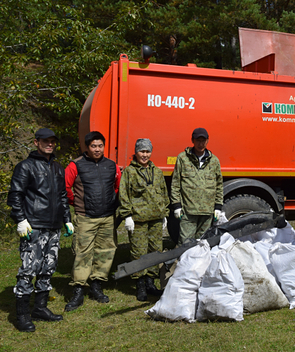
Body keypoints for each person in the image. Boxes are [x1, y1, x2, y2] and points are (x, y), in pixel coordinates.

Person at [7, 128, 73, 332]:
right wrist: (20, 220)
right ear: (36, 142)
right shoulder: (25, 166)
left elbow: (62, 195)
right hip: (33, 226)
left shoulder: (57, 167)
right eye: (45, 141)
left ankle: (40, 308)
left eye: (53, 141)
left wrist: (67, 220)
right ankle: (23, 315)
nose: (50, 144)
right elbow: (15, 195)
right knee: (29, 269)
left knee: (48, 268)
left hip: (53, 227)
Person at [64, 131, 121, 311]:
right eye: (93, 146)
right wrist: (77, 203)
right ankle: (79, 289)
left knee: (105, 251)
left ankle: (97, 285)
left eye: (100, 146)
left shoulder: (112, 165)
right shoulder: (75, 165)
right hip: (85, 217)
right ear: (86, 147)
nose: (97, 149)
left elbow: (118, 187)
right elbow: (65, 188)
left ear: (104, 147)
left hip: (107, 217)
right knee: (83, 253)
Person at [117, 138, 169, 301]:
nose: (145, 155)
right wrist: (127, 216)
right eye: (142, 151)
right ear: (136, 152)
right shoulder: (129, 172)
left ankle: (150, 283)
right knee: (138, 252)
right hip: (138, 219)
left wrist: (165, 213)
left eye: (147, 151)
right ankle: (139, 285)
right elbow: (123, 195)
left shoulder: (157, 171)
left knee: (154, 251)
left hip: (156, 218)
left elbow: (163, 192)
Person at [170, 128, 223, 245]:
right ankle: (180, 263)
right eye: (198, 140)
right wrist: (177, 205)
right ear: (192, 140)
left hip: (207, 212)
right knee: (185, 244)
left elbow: (219, 185)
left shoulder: (214, 161)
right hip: (188, 212)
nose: (200, 144)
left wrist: (218, 206)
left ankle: (201, 264)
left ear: (207, 141)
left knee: (203, 244)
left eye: (203, 140)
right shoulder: (183, 158)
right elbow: (175, 183)